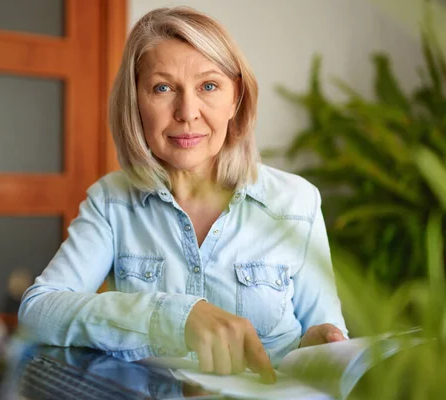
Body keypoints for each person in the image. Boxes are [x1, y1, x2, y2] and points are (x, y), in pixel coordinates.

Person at [19, 6, 348, 384]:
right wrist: (174, 316)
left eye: (209, 86)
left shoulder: (296, 201)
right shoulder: (110, 202)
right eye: (163, 88)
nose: (187, 112)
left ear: (235, 98)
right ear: (136, 101)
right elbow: (38, 310)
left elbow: (327, 337)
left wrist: (316, 347)